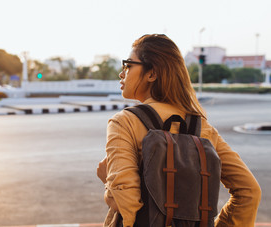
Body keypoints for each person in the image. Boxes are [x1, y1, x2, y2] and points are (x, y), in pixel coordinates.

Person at [96, 34, 261, 227]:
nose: (122, 73)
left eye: (128, 65)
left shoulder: (125, 122)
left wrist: (108, 179)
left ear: (152, 74)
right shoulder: (202, 128)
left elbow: (125, 203)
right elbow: (249, 192)